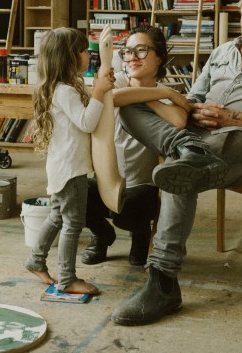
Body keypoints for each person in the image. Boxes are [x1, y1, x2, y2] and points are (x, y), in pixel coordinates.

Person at [110, 0, 242, 326]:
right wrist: (196, 112)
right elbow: (194, 96)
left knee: (183, 173)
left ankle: (162, 282)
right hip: (200, 135)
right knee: (132, 111)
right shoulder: (223, 51)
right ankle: (188, 152)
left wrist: (233, 118)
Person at [81, 26, 190, 267]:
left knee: (131, 211)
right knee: (74, 193)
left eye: (141, 50)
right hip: (104, 178)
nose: (132, 58)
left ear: (159, 57)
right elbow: (113, 98)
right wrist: (162, 94)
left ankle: (139, 233)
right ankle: (102, 234)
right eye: (128, 52)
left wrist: (159, 94)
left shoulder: (166, 93)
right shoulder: (117, 81)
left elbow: (179, 120)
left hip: (142, 185)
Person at [24, 27, 114, 295]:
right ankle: (67, 278)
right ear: (69, 57)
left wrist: (97, 87)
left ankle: (35, 260)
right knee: (73, 223)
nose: (89, 54)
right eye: (84, 50)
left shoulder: (58, 87)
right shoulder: (64, 91)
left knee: (56, 217)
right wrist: (98, 92)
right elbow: (86, 122)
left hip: (60, 166)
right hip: (71, 170)